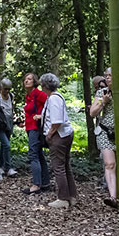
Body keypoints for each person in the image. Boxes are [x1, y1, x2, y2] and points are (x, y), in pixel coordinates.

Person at [39, 73, 76, 209]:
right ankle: (72, 195)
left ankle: (63, 198)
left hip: (59, 136)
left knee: (58, 167)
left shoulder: (53, 99)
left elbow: (56, 121)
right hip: (65, 133)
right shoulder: (57, 97)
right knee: (65, 166)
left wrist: (49, 134)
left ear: (45, 86)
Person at [89, 71, 118, 208]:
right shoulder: (102, 93)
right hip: (106, 132)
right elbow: (92, 112)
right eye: (106, 75)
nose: (107, 77)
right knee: (109, 164)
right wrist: (104, 102)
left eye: (110, 75)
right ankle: (113, 197)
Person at [22, 72, 50, 194]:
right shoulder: (29, 96)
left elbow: (50, 104)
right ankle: (45, 182)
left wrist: (41, 116)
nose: (26, 81)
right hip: (30, 127)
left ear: (34, 82)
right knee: (38, 154)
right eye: (25, 79)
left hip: (36, 128)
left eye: (29, 79)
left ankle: (36, 184)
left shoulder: (39, 94)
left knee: (33, 154)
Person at [0, 78, 17, 177]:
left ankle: (0, 166)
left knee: (3, 146)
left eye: (9, 89)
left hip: (9, 123)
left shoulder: (11, 96)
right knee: (6, 145)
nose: (7, 91)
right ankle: (8, 168)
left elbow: (11, 109)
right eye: (5, 89)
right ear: (1, 88)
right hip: (0, 124)